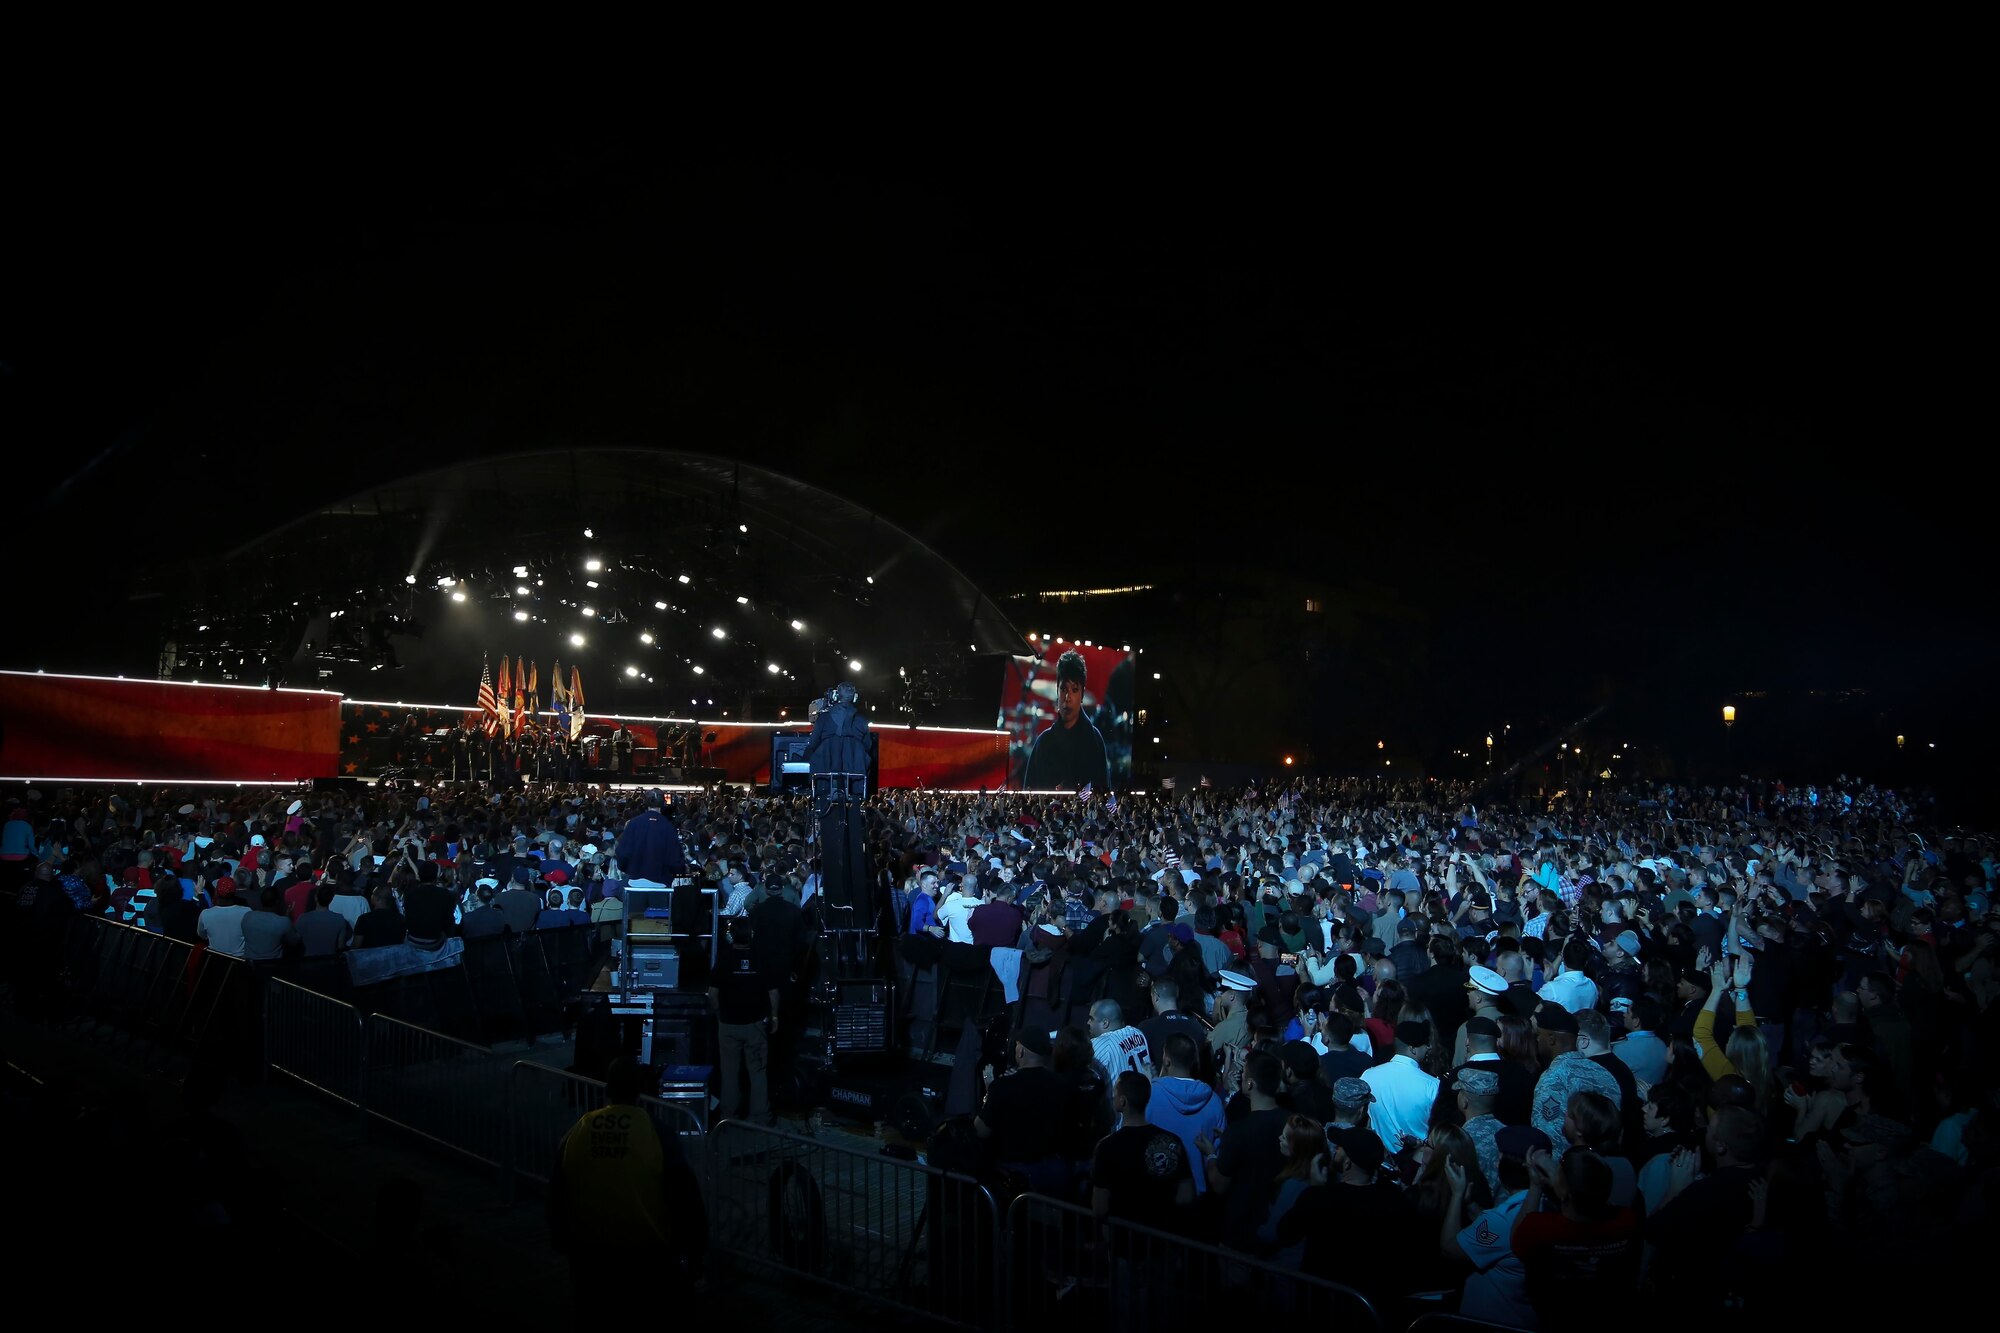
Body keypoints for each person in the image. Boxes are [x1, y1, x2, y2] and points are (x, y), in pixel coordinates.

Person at [546, 1057, 707, 1310]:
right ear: (640, 1089)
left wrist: (562, 1239)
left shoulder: (579, 1130)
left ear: (608, 1089)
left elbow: (557, 1189)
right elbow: (684, 1196)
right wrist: (694, 1248)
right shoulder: (656, 1132)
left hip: (589, 1255)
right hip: (645, 1255)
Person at [1510, 1148, 1641, 1327]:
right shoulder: (1627, 1220)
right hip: (1611, 1317)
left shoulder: (1540, 1228)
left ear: (1565, 1193)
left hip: (1554, 1321)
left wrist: (1536, 1186)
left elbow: (1516, 1241)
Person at [1438, 1123, 1543, 1329]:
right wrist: (1470, 1205)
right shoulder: (1540, 1204)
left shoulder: (1504, 1220)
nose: (1495, 1163)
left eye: (1499, 1158)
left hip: (1494, 1325)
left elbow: (1450, 1249)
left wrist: (1457, 1196)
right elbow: (1497, 1239)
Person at [1200, 1050, 1290, 1247]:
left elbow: (1219, 1184)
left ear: (1250, 1083)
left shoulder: (1239, 1131)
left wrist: (1210, 1155)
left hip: (1242, 1233)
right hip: (1281, 1228)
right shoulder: (1292, 1122)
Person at [1091, 1072, 1195, 1224]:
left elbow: (1099, 1208)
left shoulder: (1106, 1147)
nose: (1112, 1097)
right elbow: (1186, 1197)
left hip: (1123, 1238)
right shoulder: (1171, 1142)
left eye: (1115, 1093)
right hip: (1163, 1236)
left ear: (1122, 1101)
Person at [708, 918, 778, 1124]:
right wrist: (774, 1016)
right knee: (757, 1071)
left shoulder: (724, 959)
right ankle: (759, 1117)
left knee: (729, 1072)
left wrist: (719, 1013)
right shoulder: (760, 958)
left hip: (728, 1023)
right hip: (754, 1024)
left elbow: (712, 993)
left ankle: (728, 1115)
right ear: (751, 935)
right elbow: (773, 992)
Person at [1529, 1005, 1621, 1156]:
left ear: (1551, 1039)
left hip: (1572, 1171)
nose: (1537, 1040)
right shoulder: (1604, 1073)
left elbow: (1548, 1137)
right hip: (1604, 1166)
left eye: (1539, 1035)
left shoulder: (1553, 1078)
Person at [1144, 1032, 1228, 1194]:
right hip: (1198, 1199)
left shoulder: (1149, 1095)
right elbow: (1219, 1153)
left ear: (1166, 1060)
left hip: (1156, 1195)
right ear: (1194, 1061)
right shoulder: (1214, 1102)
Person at [1024, 650, 1110, 793]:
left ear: (1082, 694)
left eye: (1074, 690)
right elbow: (1028, 795)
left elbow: (1104, 797)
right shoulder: (1043, 743)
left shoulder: (1095, 740)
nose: (1067, 697)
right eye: (1063, 689)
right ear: (1057, 692)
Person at [1361, 1019, 1441, 1153]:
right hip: (1418, 1161)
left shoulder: (1368, 1075)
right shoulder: (1432, 1085)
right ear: (1412, 1049)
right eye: (1425, 1044)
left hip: (1379, 1158)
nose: (1429, 1047)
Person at [615, 789, 689, 890]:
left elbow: (623, 852)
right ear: (663, 803)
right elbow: (674, 857)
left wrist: (627, 868)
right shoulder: (668, 826)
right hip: (660, 882)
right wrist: (678, 870)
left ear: (645, 802)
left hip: (634, 881)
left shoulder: (634, 823)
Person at [1086, 999, 1151, 1083]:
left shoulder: (1100, 1044)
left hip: (1120, 1095)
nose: (1088, 1022)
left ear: (1105, 1023)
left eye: (1091, 1019)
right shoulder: (1137, 1033)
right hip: (1145, 1093)